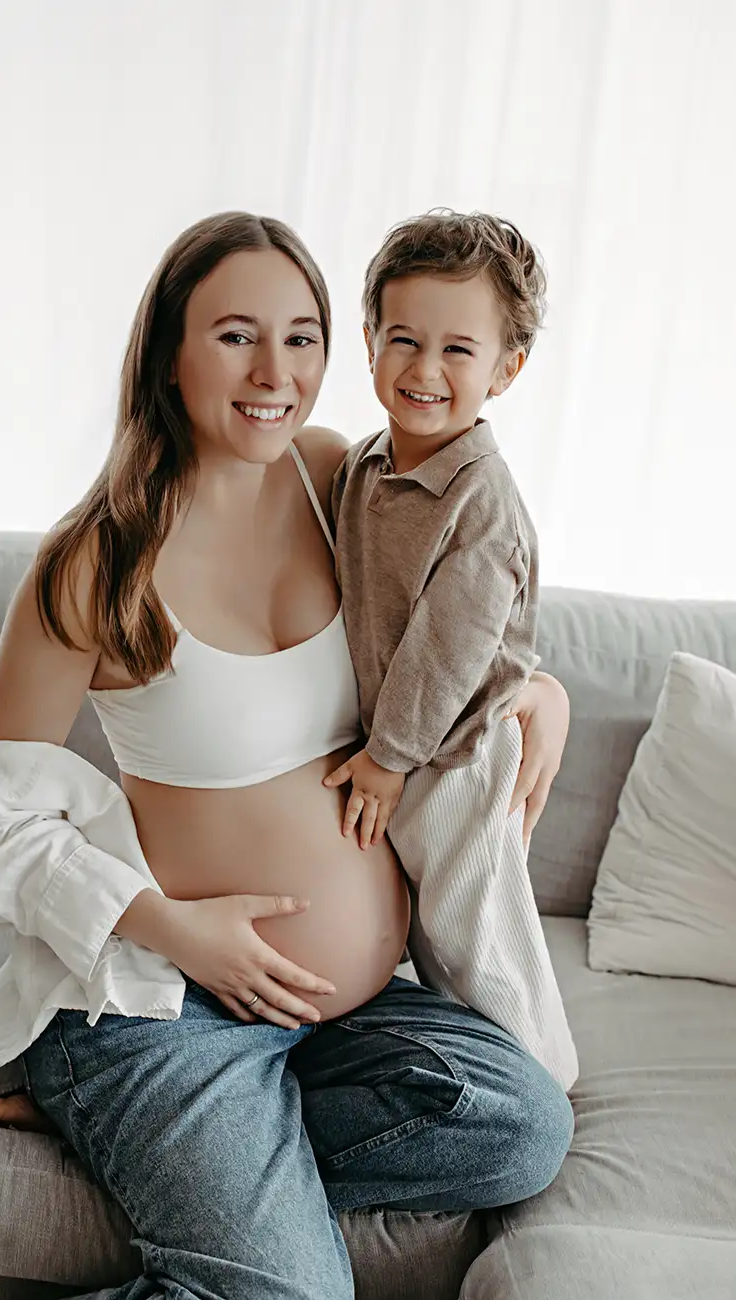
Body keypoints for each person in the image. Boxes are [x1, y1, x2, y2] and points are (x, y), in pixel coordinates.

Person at [0, 211, 574, 1300]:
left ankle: (157, 1146)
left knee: (520, 1124)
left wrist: (539, 691)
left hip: (331, 1016)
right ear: (169, 353)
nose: (276, 373)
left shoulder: (335, 481)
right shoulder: (95, 561)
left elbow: (454, 618)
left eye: (302, 337)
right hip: (167, 1001)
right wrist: (173, 927)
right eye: (236, 336)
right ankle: (142, 1116)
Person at [323, 211, 578, 1088]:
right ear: (368, 341)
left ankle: (541, 1078)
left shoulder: (480, 499)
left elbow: (447, 647)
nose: (424, 370)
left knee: (477, 937)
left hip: (456, 754)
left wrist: (389, 757)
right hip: (397, 752)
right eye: (403, 339)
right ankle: (464, 1074)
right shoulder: (362, 468)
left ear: (505, 369)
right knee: (425, 939)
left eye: (457, 350)